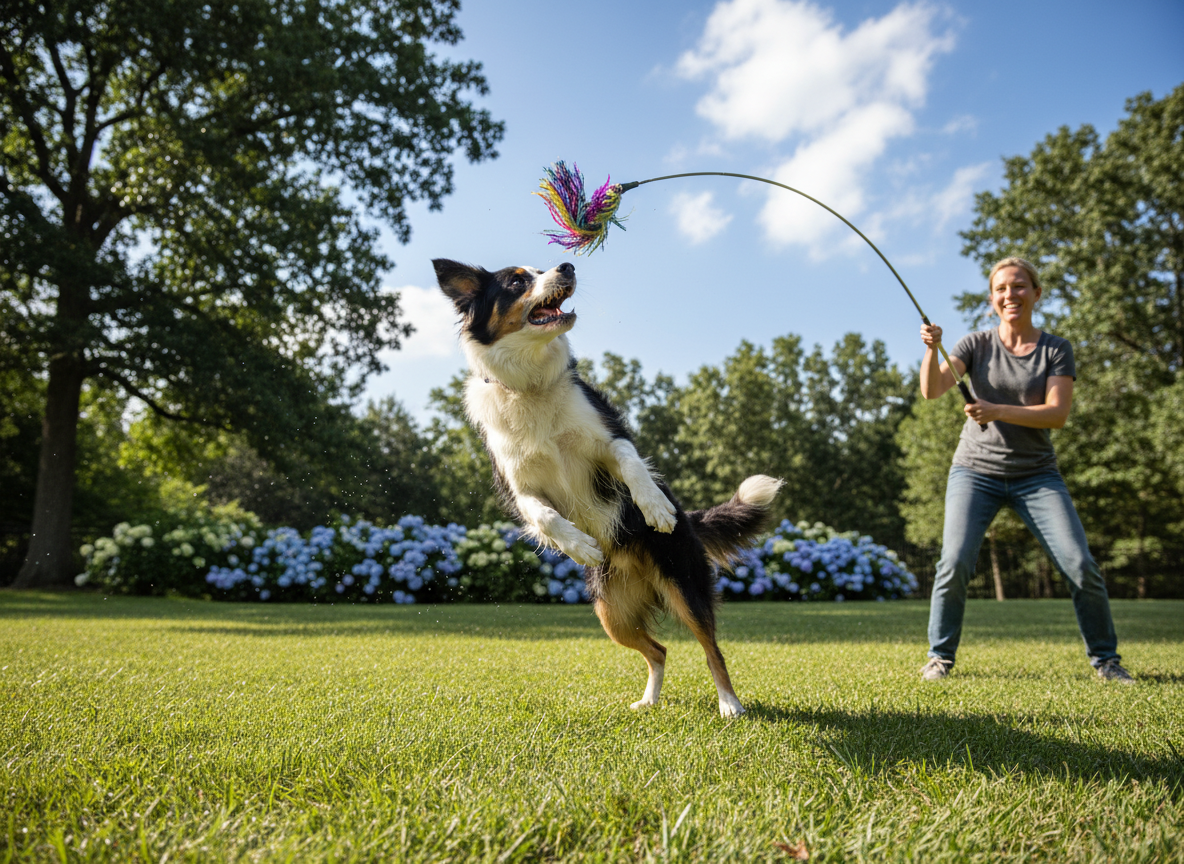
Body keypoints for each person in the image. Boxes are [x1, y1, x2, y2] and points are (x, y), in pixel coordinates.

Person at [917, 257, 1133, 683]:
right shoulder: (975, 344)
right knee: (955, 562)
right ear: (991, 300)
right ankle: (939, 658)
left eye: (1019, 286)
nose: (1010, 295)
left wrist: (997, 409)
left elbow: (1056, 415)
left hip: (1037, 475)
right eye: (1001, 289)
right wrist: (930, 349)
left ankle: (1106, 661)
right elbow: (932, 390)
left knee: (1079, 564)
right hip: (975, 471)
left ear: (1036, 293)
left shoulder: (1056, 348)